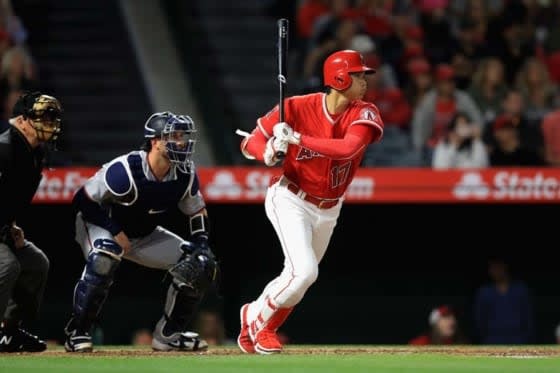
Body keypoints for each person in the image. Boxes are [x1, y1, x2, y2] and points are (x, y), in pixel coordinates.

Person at [237, 49, 384, 354]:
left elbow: (347, 148)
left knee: (299, 278)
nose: (364, 80)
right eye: (358, 75)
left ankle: (252, 314)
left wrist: (296, 139)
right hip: (291, 197)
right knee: (304, 272)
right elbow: (249, 141)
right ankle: (261, 325)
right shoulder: (296, 107)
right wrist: (266, 151)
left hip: (330, 208)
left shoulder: (365, 112)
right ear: (340, 78)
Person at [63, 111, 218, 353]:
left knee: (200, 265)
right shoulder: (125, 170)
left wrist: (201, 242)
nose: (182, 142)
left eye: (183, 136)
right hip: (102, 224)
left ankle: (168, 336)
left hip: (143, 234)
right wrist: (114, 231)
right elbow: (83, 200)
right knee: (105, 257)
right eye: (174, 136)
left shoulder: (185, 172)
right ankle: (78, 332)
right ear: (155, 141)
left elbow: (197, 211)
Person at [0, 91, 63, 352]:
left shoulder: (34, 151)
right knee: (8, 265)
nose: (51, 123)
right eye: (44, 117)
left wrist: (10, 224)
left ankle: (8, 332)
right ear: (24, 119)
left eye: (53, 118)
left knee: (36, 263)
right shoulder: (4, 148)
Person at [473, 256, 535, 344]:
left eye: (497, 267)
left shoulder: (520, 289)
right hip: (492, 340)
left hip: (518, 339)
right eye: (492, 268)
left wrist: (526, 337)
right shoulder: (484, 292)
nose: (495, 271)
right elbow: (480, 319)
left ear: (505, 267)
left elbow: (528, 316)